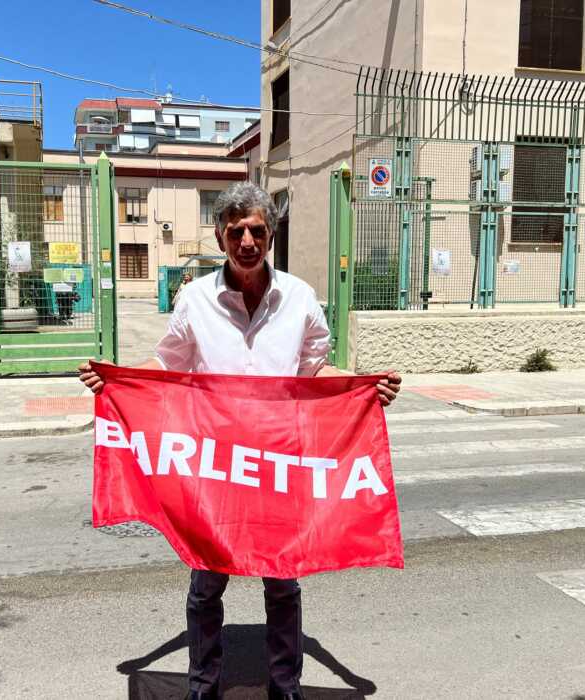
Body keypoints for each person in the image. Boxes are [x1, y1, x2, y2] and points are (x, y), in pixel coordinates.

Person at [79, 181, 401, 700]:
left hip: (279, 459)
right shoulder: (196, 299)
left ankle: (285, 686)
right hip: (215, 462)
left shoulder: (299, 298)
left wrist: (364, 387)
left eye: (256, 230)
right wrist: (115, 379)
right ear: (220, 237)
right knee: (206, 584)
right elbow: (167, 364)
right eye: (236, 232)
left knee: (283, 581)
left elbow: (313, 370)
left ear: (271, 234)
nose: (247, 242)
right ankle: (202, 685)